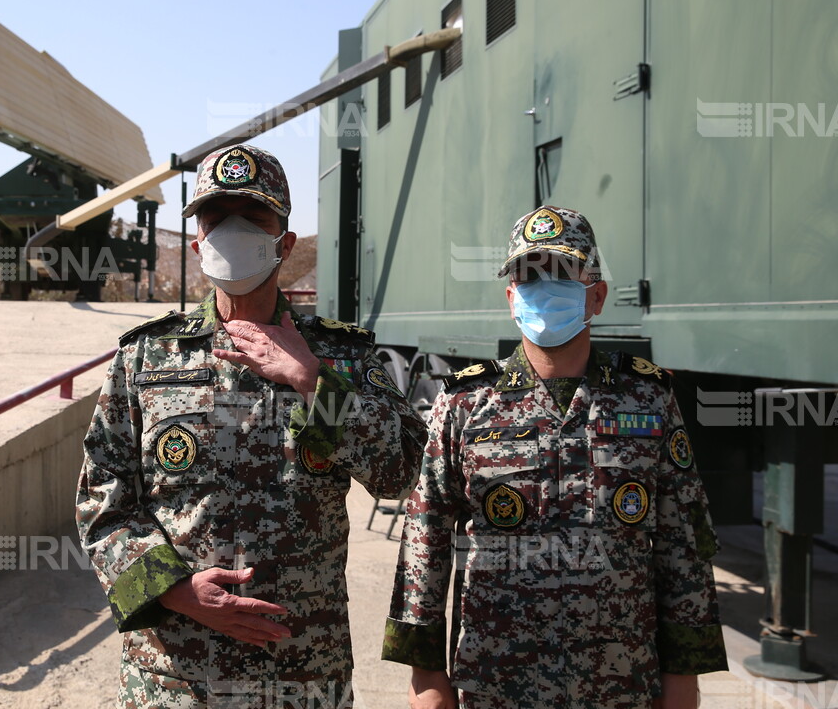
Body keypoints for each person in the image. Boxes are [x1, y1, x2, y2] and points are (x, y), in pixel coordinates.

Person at [76, 143, 426, 708]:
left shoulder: (341, 358)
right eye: (217, 219)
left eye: (254, 217)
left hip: (300, 674)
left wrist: (314, 383)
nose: (232, 231)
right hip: (175, 678)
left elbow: (405, 472)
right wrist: (176, 592)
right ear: (198, 242)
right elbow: (101, 503)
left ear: (284, 243)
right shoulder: (145, 359)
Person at [382, 206, 727, 709]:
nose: (545, 286)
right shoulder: (464, 403)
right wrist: (428, 678)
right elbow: (424, 542)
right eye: (529, 275)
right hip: (497, 680)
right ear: (511, 297)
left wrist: (682, 680)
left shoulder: (649, 399)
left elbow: (684, 547)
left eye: (564, 272)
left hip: (621, 684)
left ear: (598, 295)